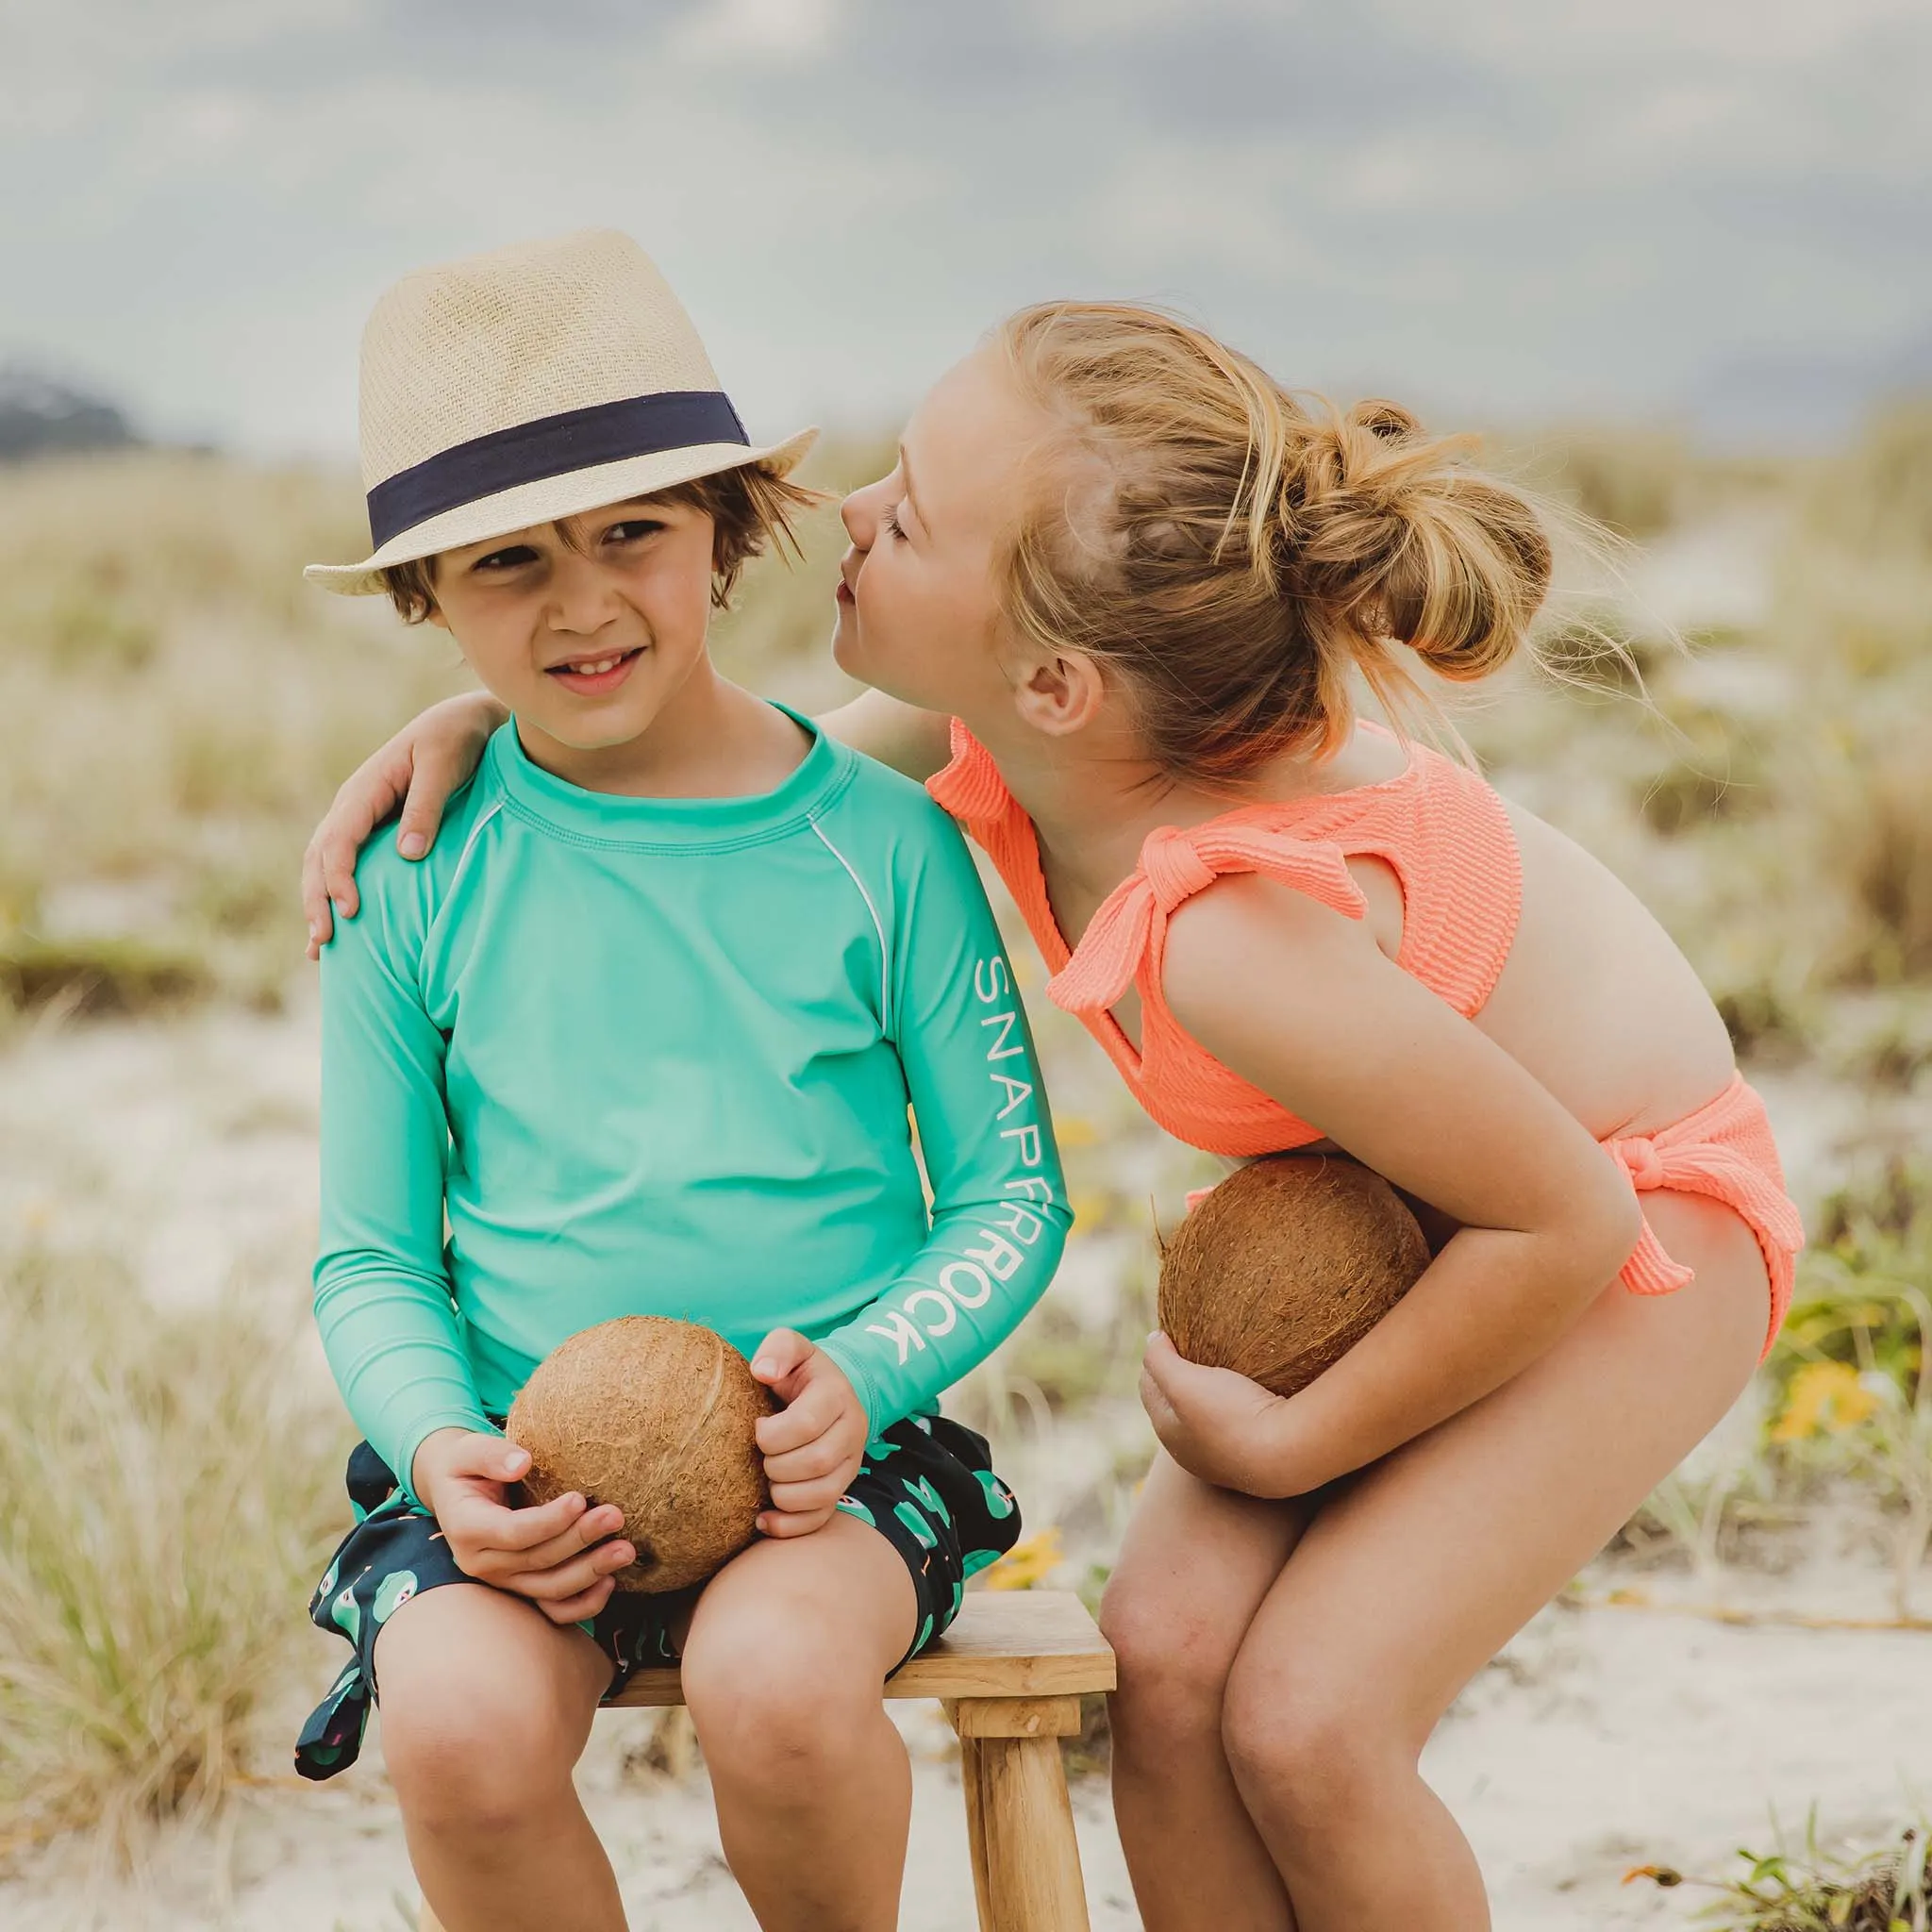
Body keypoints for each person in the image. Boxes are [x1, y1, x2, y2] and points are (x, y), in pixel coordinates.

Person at [305, 300, 1803, 1932]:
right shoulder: (998, 729)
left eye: (914, 509)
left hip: (1630, 1228)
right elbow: (700, 772)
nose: (856, 512)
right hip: (1410, 1205)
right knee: (1162, 1662)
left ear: (1055, 678)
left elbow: (1561, 1223)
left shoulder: (1230, 937)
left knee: (1311, 1723)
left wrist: (1297, 1441)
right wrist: (469, 716)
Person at [293, 230, 1068, 1932]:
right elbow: (367, 1253)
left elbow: (1015, 1199)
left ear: (724, 520)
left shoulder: (887, 848)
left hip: (838, 1471)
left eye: (630, 532)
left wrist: (865, 1370)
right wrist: (439, 1454)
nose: (581, 603)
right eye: (505, 564)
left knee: (779, 1696)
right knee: (461, 1733)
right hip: (507, 1465)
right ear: (428, 602)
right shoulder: (410, 875)